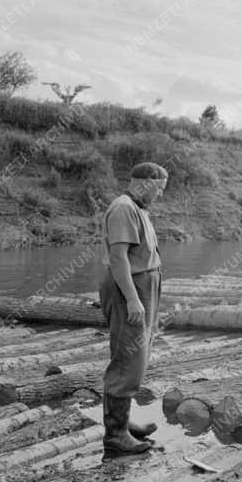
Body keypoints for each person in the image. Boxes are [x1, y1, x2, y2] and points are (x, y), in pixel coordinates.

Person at [98, 161, 168, 455]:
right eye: (160, 189)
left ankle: (124, 423)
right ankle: (115, 435)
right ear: (144, 183)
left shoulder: (138, 208)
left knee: (137, 357)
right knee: (128, 359)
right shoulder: (124, 207)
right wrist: (132, 299)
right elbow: (119, 259)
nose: (161, 195)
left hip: (142, 288)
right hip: (132, 289)